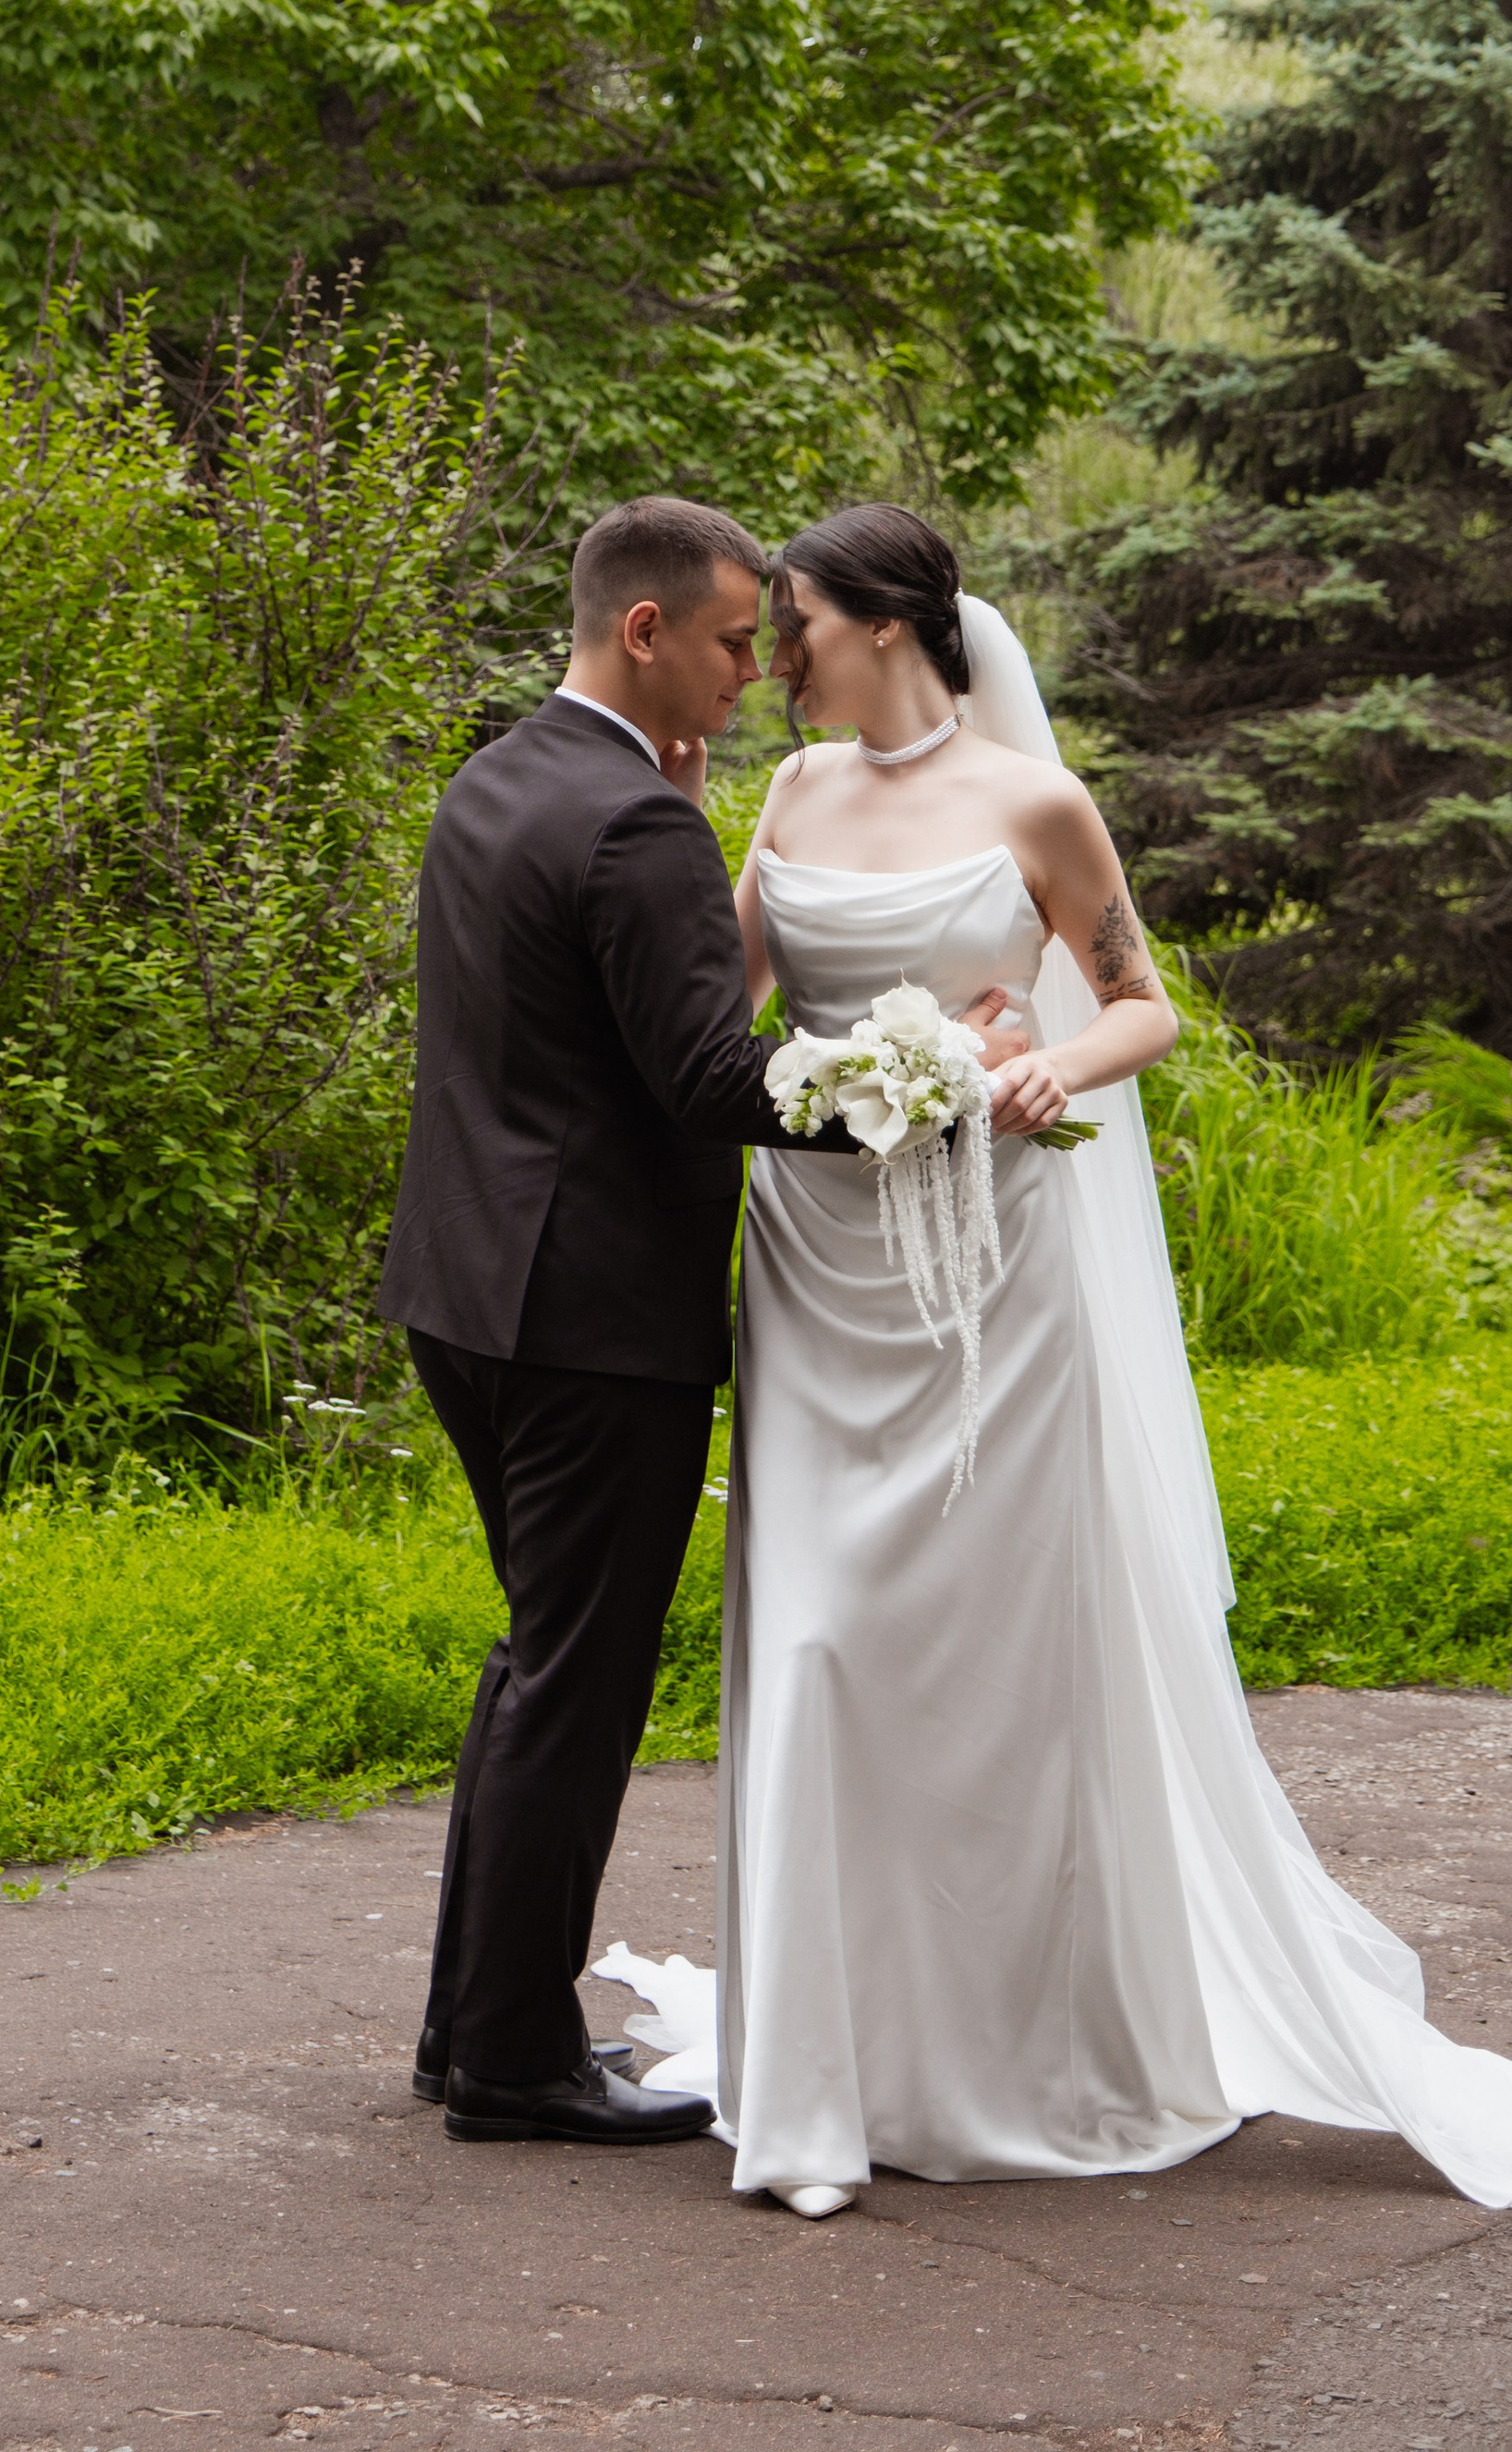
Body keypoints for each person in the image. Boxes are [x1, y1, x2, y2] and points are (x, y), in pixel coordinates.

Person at [603, 503, 1512, 2216]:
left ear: (885, 620)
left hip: (990, 1272)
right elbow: (720, 1018)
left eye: (796, 622)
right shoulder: (789, 795)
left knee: (989, 1655)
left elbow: (1141, 1001)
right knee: (817, 1635)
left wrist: (1044, 1067)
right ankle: (825, 2066)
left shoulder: (1036, 802)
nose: (775, 653)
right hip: (817, 1265)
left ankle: (1019, 2048)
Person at [375, 494, 1018, 2150]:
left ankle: (471, 2029)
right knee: (576, 1682)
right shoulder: (641, 824)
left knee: (539, 1658)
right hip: (592, 1321)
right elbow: (716, 1079)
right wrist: (940, 1070)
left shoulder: (496, 778)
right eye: (735, 639)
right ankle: (516, 2062)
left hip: (463, 1289)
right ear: (646, 630)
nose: (757, 667)